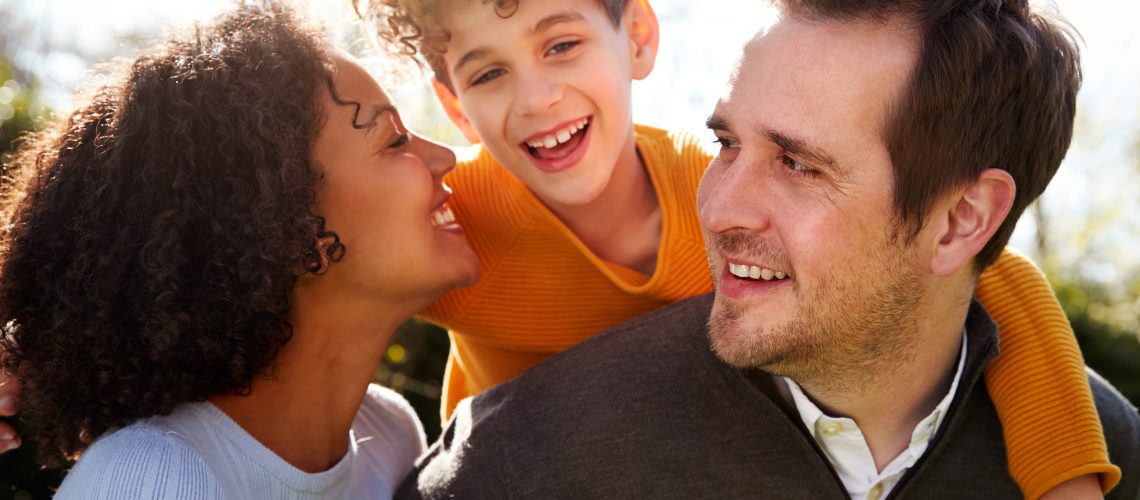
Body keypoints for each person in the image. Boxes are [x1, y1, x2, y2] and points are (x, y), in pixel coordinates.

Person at [364, 0, 1115, 496]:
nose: (536, 99)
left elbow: (992, 281)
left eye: (797, 163)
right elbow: (311, 289)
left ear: (639, 39)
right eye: (489, 72)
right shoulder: (456, 222)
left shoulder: (693, 184)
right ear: (456, 103)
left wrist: (1066, 477)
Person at [0, 4, 478, 499]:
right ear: (283, 221)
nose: (444, 157)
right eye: (395, 140)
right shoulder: (153, 477)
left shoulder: (390, 436)